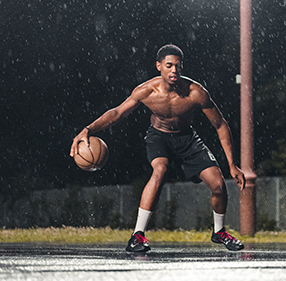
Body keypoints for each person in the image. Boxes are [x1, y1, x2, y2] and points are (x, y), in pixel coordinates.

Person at [70, 44, 246, 252]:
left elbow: (220, 124)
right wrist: (87, 130)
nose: (174, 71)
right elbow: (117, 113)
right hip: (158, 137)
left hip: (187, 138)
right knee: (160, 169)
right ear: (159, 66)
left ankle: (219, 232)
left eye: (178, 66)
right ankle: (137, 235)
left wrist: (232, 165)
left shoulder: (196, 92)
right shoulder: (146, 91)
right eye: (169, 66)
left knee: (218, 185)